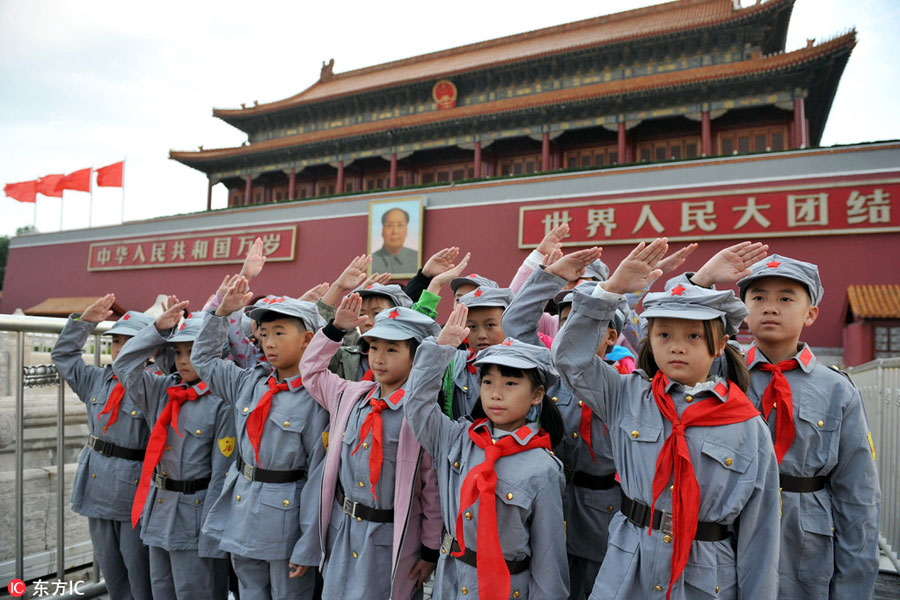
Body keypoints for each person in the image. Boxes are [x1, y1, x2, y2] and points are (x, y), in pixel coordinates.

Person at [551, 240, 780, 600]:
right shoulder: (627, 395)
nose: (677, 346)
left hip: (705, 576)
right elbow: (570, 358)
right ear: (649, 340)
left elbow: (761, 535)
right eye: (664, 335)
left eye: (693, 336)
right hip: (629, 569)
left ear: (720, 344)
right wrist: (610, 290)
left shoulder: (747, 426)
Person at [693, 253, 882, 599]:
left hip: (802, 535)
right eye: (758, 297)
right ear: (743, 310)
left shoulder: (836, 389)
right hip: (728, 523)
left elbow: (858, 494)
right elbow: (672, 339)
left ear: (811, 314)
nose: (770, 307)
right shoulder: (717, 371)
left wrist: (853, 588)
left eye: (785, 298)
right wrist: (700, 282)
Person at [404, 305, 569, 600]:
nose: (496, 393)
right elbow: (417, 405)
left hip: (507, 588)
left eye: (511, 383)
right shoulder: (457, 439)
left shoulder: (544, 467)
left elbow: (549, 557)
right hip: (452, 581)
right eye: (488, 382)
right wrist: (441, 350)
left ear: (537, 395)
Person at [191, 281, 329, 600]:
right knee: (249, 592)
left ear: (308, 339)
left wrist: (309, 542)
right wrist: (221, 313)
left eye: (279, 333)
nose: (269, 343)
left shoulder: (318, 396)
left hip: (287, 520)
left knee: (288, 595)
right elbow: (204, 360)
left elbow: (318, 477)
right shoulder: (249, 382)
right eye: (264, 334)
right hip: (242, 509)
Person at [298, 296, 443, 599]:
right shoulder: (349, 396)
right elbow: (311, 371)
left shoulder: (420, 415)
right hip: (343, 530)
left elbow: (431, 489)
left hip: (389, 540)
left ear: (415, 357)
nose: (379, 358)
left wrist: (430, 550)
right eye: (374, 347)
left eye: (392, 349)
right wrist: (336, 329)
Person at [503, 270, 630, 599]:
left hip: (601, 512)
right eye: (567, 321)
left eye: (586, 324)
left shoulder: (623, 388)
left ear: (611, 336)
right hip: (550, 502)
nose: (573, 331)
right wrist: (552, 275)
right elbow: (515, 323)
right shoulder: (549, 374)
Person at [113, 308, 233, 599]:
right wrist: (157, 331)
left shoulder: (222, 402)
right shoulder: (162, 389)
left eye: (192, 352)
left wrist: (210, 534)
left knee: (195, 591)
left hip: (195, 515)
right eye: (178, 352)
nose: (183, 360)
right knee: (161, 589)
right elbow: (124, 365)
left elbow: (221, 475)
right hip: (159, 508)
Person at [51, 297, 154, 600]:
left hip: (133, 487)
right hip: (96, 482)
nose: (120, 349)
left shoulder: (154, 386)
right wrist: (83, 324)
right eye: (116, 342)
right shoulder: (96, 380)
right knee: (110, 566)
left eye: (130, 342)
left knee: (138, 567)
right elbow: (64, 357)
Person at [444, 286, 515, 418]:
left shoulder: (524, 366)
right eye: (472, 327)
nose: (481, 335)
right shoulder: (456, 365)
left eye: (490, 325)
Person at [371, 207, 419, 275]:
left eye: (400, 225)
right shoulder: (371, 261)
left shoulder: (416, 258)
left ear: (406, 230)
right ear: (382, 231)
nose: (395, 231)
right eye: (390, 225)